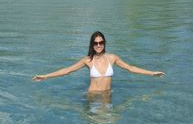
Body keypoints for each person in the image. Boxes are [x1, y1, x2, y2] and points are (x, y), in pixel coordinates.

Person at [32, 31, 165, 92]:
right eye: (95, 43)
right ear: (92, 45)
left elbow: (130, 68)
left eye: (101, 42)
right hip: (92, 96)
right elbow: (67, 70)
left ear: (104, 43)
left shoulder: (112, 58)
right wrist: (45, 76)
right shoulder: (87, 60)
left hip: (107, 95)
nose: (98, 45)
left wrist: (151, 73)